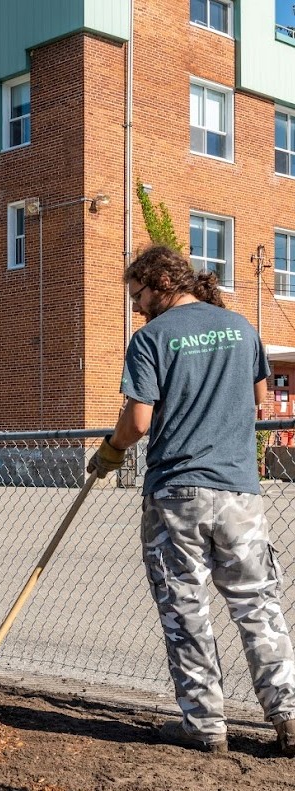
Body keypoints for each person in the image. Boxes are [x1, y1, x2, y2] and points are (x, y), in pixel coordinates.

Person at [88, 245, 295, 757]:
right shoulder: (242, 329)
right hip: (240, 492)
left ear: (160, 282)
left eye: (138, 294)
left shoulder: (151, 339)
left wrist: (110, 453)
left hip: (177, 494)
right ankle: (289, 715)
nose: (136, 306)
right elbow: (258, 400)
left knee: (186, 607)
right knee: (258, 605)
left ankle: (204, 725)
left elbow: (137, 422)